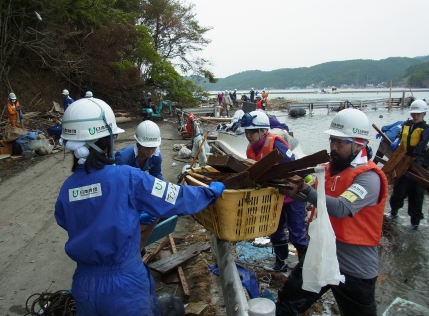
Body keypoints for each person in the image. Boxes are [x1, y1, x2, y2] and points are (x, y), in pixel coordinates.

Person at [54, 98, 225, 316]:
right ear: (106, 140)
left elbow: (64, 219)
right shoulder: (126, 177)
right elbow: (174, 197)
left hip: (84, 285)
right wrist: (209, 193)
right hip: (124, 286)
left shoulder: (67, 188)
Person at [275, 108, 388, 316]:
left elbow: (341, 208)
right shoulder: (327, 170)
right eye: (332, 141)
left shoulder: (369, 179)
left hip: (354, 268)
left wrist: (305, 190)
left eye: (340, 142)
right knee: (287, 301)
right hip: (321, 254)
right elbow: (317, 200)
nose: (333, 147)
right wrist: (295, 191)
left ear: (359, 143)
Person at [240, 110, 308, 272]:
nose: (249, 135)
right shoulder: (251, 148)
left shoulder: (276, 144)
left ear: (263, 131)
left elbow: (292, 168)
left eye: (252, 132)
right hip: (274, 197)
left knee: (297, 234)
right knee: (275, 230)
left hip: (292, 196)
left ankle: (304, 269)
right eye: (247, 132)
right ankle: (280, 263)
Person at [389, 99, 429, 230]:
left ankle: (415, 225)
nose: (415, 116)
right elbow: (400, 135)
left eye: (418, 114)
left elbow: (421, 148)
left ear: (424, 114)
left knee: (416, 196)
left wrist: (413, 163)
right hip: (403, 165)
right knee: (398, 193)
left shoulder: (428, 130)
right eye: (413, 113)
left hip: (419, 167)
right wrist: (397, 140)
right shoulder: (406, 125)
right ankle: (393, 214)